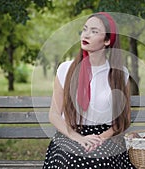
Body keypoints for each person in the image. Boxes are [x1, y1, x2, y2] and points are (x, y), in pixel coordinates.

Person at [43, 12, 136, 168]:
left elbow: (123, 119)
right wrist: (77, 138)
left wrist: (100, 138)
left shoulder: (119, 73)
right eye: (85, 29)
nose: (86, 35)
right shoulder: (65, 70)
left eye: (94, 31)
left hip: (105, 136)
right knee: (69, 160)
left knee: (99, 161)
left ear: (107, 40)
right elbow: (54, 114)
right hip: (70, 134)